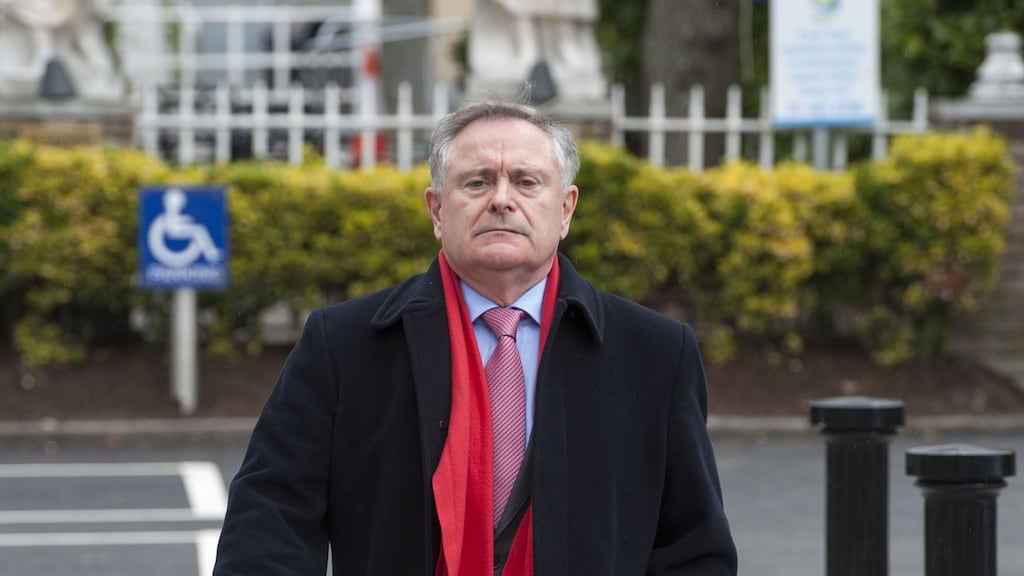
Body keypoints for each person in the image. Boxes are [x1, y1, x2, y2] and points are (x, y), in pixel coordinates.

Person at [213, 98, 737, 575]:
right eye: (478, 182)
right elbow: (269, 519)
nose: (502, 200)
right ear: (437, 210)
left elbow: (693, 550)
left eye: (527, 182)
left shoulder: (655, 355)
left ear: (565, 210)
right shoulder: (345, 346)